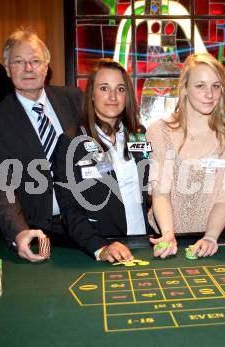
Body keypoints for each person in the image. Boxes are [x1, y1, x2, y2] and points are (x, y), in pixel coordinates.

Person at [0, 28, 82, 262]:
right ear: (7, 69)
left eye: (35, 61)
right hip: (40, 233)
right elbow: (2, 182)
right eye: (19, 61)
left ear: (46, 66)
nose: (28, 68)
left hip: (88, 224)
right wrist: (19, 231)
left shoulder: (75, 99)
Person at [53, 59, 151, 262]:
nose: (113, 96)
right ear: (91, 95)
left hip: (143, 243)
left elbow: (149, 185)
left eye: (120, 89)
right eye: (104, 88)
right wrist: (101, 247)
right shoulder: (71, 141)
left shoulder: (138, 134)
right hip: (105, 249)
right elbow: (70, 210)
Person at [147, 52, 225, 259]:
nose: (209, 94)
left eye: (216, 86)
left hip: (210, 241)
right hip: (165, 237)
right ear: (185, 88)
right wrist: (168, 233)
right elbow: (160, 192)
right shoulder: (158, 131)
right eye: (200, 86)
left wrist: (210, 237)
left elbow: (224, 199)